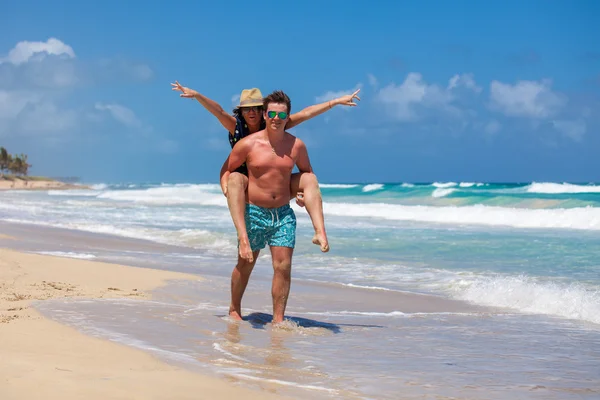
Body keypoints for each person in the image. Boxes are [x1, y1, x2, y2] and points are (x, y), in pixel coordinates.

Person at [171, 82, 360, 263]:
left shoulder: (273, 122)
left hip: (273, 182)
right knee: (235, 179)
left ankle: (320, 232)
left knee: (309, 180)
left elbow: (305, 114)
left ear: (263, 111)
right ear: (241, 112)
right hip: (245, 180)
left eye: (255, 108)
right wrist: (196, 95)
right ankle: (243, 236)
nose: (251, 112)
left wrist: (334, 102)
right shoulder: (236, 127)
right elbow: (218, 112)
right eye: (247, 109)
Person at [225, 90, 312, 324]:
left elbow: (306, 174)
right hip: (254, 211)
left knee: (283, 266)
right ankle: (234, 308)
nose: (275, 117)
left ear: (287, 117)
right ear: (265, 115)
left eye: (280, 114)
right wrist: (228, 188)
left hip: (283, 213)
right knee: (246, 263)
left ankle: (278, 319)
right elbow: (230, 169)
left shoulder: (295, 145)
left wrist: (302, 194)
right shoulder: (246, 143)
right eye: (271, 113)